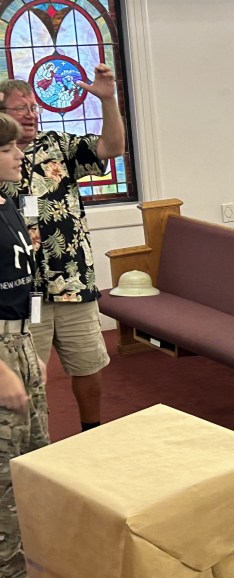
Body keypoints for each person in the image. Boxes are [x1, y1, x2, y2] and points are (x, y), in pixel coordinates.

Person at [0, 64, 126, 432]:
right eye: (20, 108)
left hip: (72, 279)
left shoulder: (57, 144)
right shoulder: (2, 159)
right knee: (27, 373)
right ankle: (35, 441)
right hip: (24, 293)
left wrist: (108, 100)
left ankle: (92, 432)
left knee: (89, 364)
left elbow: (112, 147)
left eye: (34, 107)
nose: (30, 114)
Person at [0, 112, 49, 578]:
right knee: (2, 473)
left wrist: (29, 340)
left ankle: (35, 566)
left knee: (34, 460)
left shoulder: (10, 202)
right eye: (6, 149)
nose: (18, 155)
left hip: (20, 343)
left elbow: (27, 283)